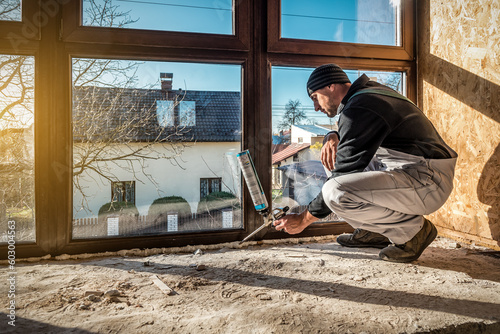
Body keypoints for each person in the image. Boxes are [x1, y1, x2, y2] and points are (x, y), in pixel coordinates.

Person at [273, 63, 457, 263]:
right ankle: (375, 230)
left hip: (427, 181)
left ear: (330, 87)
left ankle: (413, 233)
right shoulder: (366, 96)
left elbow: (343, 174)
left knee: (335, 191)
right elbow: (358, 137)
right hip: (417, 173)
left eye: (315, 98)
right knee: (332, 160)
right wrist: (333, 135)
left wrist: (303, 219)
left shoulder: (361, 105)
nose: (316, 107)